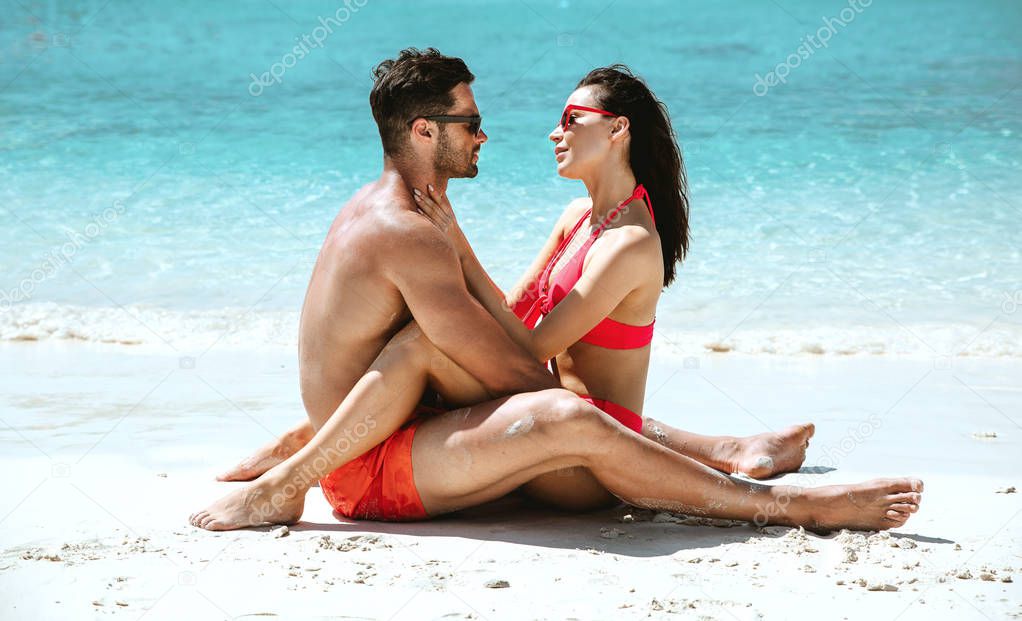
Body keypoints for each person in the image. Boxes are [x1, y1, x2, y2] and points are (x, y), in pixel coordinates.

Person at [191, 54, 923, 533]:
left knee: (475, 365)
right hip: (372, 469)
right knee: (559, 408)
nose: (487, 135)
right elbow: (516, 367)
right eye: (470, 123)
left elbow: (491, 343)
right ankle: (787, 504)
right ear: (423, 130)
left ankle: (735, 448)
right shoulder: (412, 232)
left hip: (379, 447)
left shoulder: (392, 213)